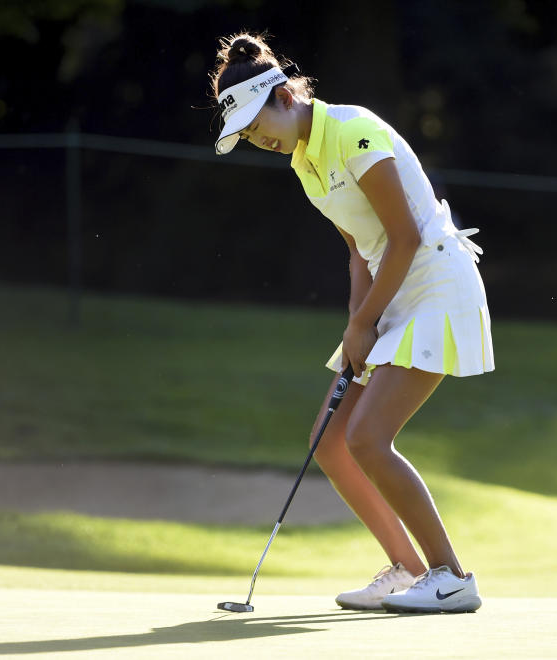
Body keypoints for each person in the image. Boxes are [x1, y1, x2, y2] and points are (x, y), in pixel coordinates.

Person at [209, 32, 494, 613]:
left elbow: (408, 235)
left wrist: (366, 322)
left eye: (256, 124)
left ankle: (452, 576)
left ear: (284, 96)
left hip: (435, 283)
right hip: (391, 294)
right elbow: (359, 249)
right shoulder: (304, 163)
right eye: (244, 135)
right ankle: (409, 570)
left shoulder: (352, 129)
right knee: (331, 442)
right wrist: (354, 324)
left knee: (368, 437)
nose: (256, 140)